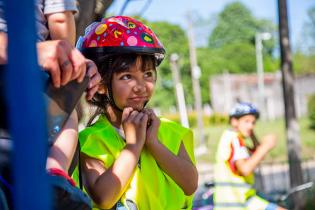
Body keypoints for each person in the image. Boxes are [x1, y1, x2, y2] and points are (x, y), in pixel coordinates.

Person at [72, 15, 198, 210]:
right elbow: (103, 198)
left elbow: (190, 185)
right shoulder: (91, 140)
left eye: (147, 74)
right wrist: (133, 146)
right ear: (102, 85)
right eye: (127, 76)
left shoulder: (171, 132)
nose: (140, 86)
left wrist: (153, 143)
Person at [213, 102, 287, 210]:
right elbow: (245, 169)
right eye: (246, 121)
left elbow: (254, 155)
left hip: (242, 200)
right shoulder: (235, 140)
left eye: (253, 122)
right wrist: (265, 147)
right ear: (234, 121)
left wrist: (252, 136)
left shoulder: (230, 137)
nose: (251, 126)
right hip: (236, 204)